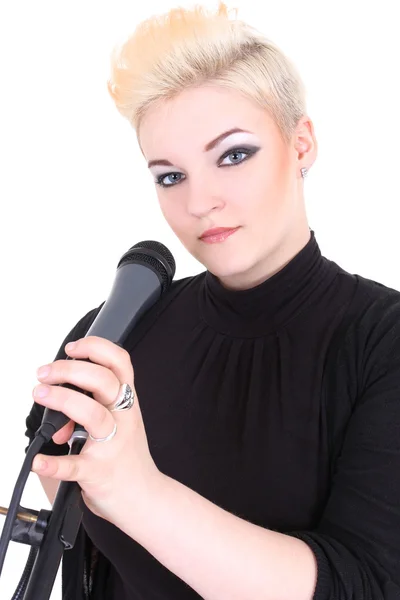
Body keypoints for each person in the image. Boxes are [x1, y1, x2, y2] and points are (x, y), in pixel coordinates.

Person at [24, 1, 400, 599]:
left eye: (233, 155)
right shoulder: (119, 333)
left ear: (301, 145)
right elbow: (81, 536)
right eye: (170, 176)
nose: (200, 202)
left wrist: (137, 492)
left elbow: (364, 584)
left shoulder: (382, 341)